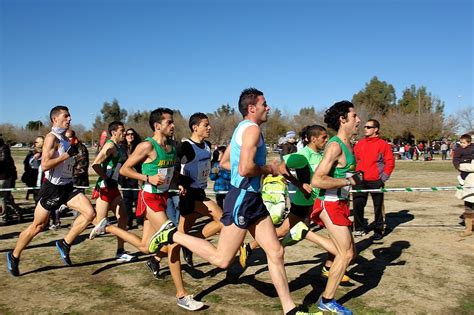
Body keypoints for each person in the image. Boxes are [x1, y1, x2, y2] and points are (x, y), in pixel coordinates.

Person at [148, 88, 316, 315]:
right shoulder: (252, 130)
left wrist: (272, 174)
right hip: (243, 199)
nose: (268, 107)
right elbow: (245, 169)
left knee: (276, 252)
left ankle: (290, 310)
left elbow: (226, 163)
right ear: (252, 108)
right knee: (222, 260)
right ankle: (171, 235)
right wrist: (269, 169)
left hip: (253, 199)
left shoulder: (243, 128)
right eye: (264, 103)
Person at [90, 108, 204, 311]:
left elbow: (168, 172)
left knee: (145, 247)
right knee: (172, 240)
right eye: (169, 122)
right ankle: (182, 295)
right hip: (149, 197)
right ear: (157, 125)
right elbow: (125, 169)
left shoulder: (170, 146)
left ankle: (107, 227)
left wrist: (175, 182)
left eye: (172, 122)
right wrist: (147, 178)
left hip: (163, 196)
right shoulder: (146, 146)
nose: (173, 125)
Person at [6, 106, 97, 276]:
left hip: (67, 186)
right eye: (66, 116)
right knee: (38, 226)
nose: (69, 119)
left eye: (70, 116)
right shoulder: (51, 138)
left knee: (90, 213)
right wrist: (66, 155)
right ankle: (14, 254)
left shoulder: (65, 139)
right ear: (55, 119)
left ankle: (65, 243)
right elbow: (45, 165)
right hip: (52, 188)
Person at [311, 100, 361, 315]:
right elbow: (317, 180)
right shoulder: (334, 145)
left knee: (351, 252)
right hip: (329, 203)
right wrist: (348, 182)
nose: (358, 120)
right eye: (354, 116)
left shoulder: (350, 144)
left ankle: (306, 235)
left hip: (340, 203)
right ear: (343, 119)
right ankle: (327, 300)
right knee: (346, 253)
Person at [176, 112, 224, 267]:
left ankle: (155, 259)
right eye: (205, 125)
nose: (209, 127)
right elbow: (174, 167)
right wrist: (179, 183)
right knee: (223, 220)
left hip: (200, 191)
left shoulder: (208, 146)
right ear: (195, 128)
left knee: (180, 234)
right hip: (189, 193)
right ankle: (189, 244)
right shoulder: (185, 146)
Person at [89, 121, 135, 262]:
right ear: (114, 132)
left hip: (113, 187)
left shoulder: (119, 146)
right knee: (98, 222)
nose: (124, 133)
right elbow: (95, 164)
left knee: (124, 217)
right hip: (105, 187)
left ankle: (120, 251)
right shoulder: (109, 145)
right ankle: (66, 242)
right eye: (122, 131)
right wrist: (105, 178)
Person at [352, 119, 395, 240]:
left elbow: (390, 162)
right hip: (359, 180)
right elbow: (354, 160)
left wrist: (383, 178)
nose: (365, 128)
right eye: (365, 127)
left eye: (368, 127)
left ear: (375, 129)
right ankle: (359, 228)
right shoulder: (359, 143)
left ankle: (378, 229)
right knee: (358, 205)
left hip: (376, 180)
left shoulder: (383, 145)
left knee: (378, 206)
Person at [119, 128, 143, 229]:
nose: (130, 135)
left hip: (137, 177)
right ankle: (128, 221)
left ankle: (140, 222)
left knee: (138, 201)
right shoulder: (121, 148)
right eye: (128, 134)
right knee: (127, 201)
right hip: (125, 179)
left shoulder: (139, 147)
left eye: (132, 134)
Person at [453, 134, 474, 237]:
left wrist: (463, 166)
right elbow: (456, 160)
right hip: (468, 183)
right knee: (468, 207)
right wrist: (459, 166)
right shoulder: (459, 150)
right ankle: (468, 229)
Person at [0, 135, 18, 225]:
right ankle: (18, 211)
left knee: (1, 198)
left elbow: (3, 161)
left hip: (3, 177)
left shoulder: (4, 148)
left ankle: (2, 218)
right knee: (7, 197)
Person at [22, 136, 44, 201]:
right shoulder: (32, 154)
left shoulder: (48, 153)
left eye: (36, 142)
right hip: (35, 181)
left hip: (46, 182)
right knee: (37, 199)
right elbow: (31, 165)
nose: (35, 144)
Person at [209, 145, 231, 210]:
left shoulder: (229, 164)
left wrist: (220, 172)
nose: (218, 155)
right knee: (219, 207)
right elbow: (212, 177)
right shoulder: (215, 164)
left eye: (220, 153)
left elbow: (230, 176)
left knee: (228, 206)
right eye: (217, 153)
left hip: (228, 189)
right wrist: (215, 173)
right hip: (219, 189)